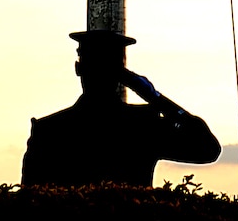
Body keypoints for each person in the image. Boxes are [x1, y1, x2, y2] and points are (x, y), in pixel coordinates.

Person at [22, 31, 222, 187]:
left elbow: (207, 149)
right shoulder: (142, 125)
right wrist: (155, 97)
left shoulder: (50, 129)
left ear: (78, 68)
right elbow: (206, 148)